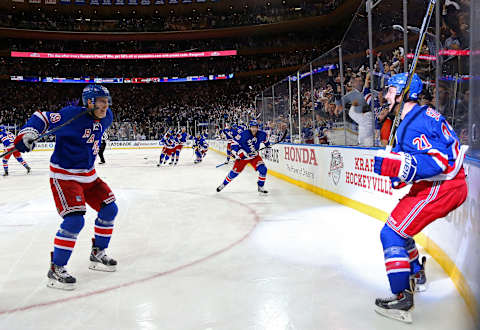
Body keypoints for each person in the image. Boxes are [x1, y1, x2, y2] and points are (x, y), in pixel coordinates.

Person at [373, 73, 468, 323]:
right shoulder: (418, 116)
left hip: (443, 185)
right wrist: (396, 169)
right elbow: (410, 166)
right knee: (401, 227)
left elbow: (439, 161)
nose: (386, 95)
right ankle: (417, 272)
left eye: (391, 90)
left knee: (391, 233)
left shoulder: (412, 123)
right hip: (438, 183)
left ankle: (402, 297)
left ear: (405, 92)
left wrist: (395, 165)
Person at [14, 84, 119, 290]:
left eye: (107, 101)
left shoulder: (107, 117)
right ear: (89, 101)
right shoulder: (72, 114)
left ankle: (98, 252)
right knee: (74, 221)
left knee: (110, 209)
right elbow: (42, 117)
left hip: (89, 174)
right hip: (64, 176)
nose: (105, 105)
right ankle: (56, 268)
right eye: (101, 101)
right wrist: (27, 134)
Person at [216, 120, 270, 194]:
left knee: (263, 169)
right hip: (243, 158)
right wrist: (239, 153)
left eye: (255, 127)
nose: (254, 129)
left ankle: (260, 186)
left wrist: (268, 149)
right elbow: (233, 143)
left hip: (254, 157)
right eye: (252, 127)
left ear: (258, 127)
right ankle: (223, 184)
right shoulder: (243, 134)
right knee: (234, 173)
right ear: (250, 127)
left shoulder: (262, 134)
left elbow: (267, 142)